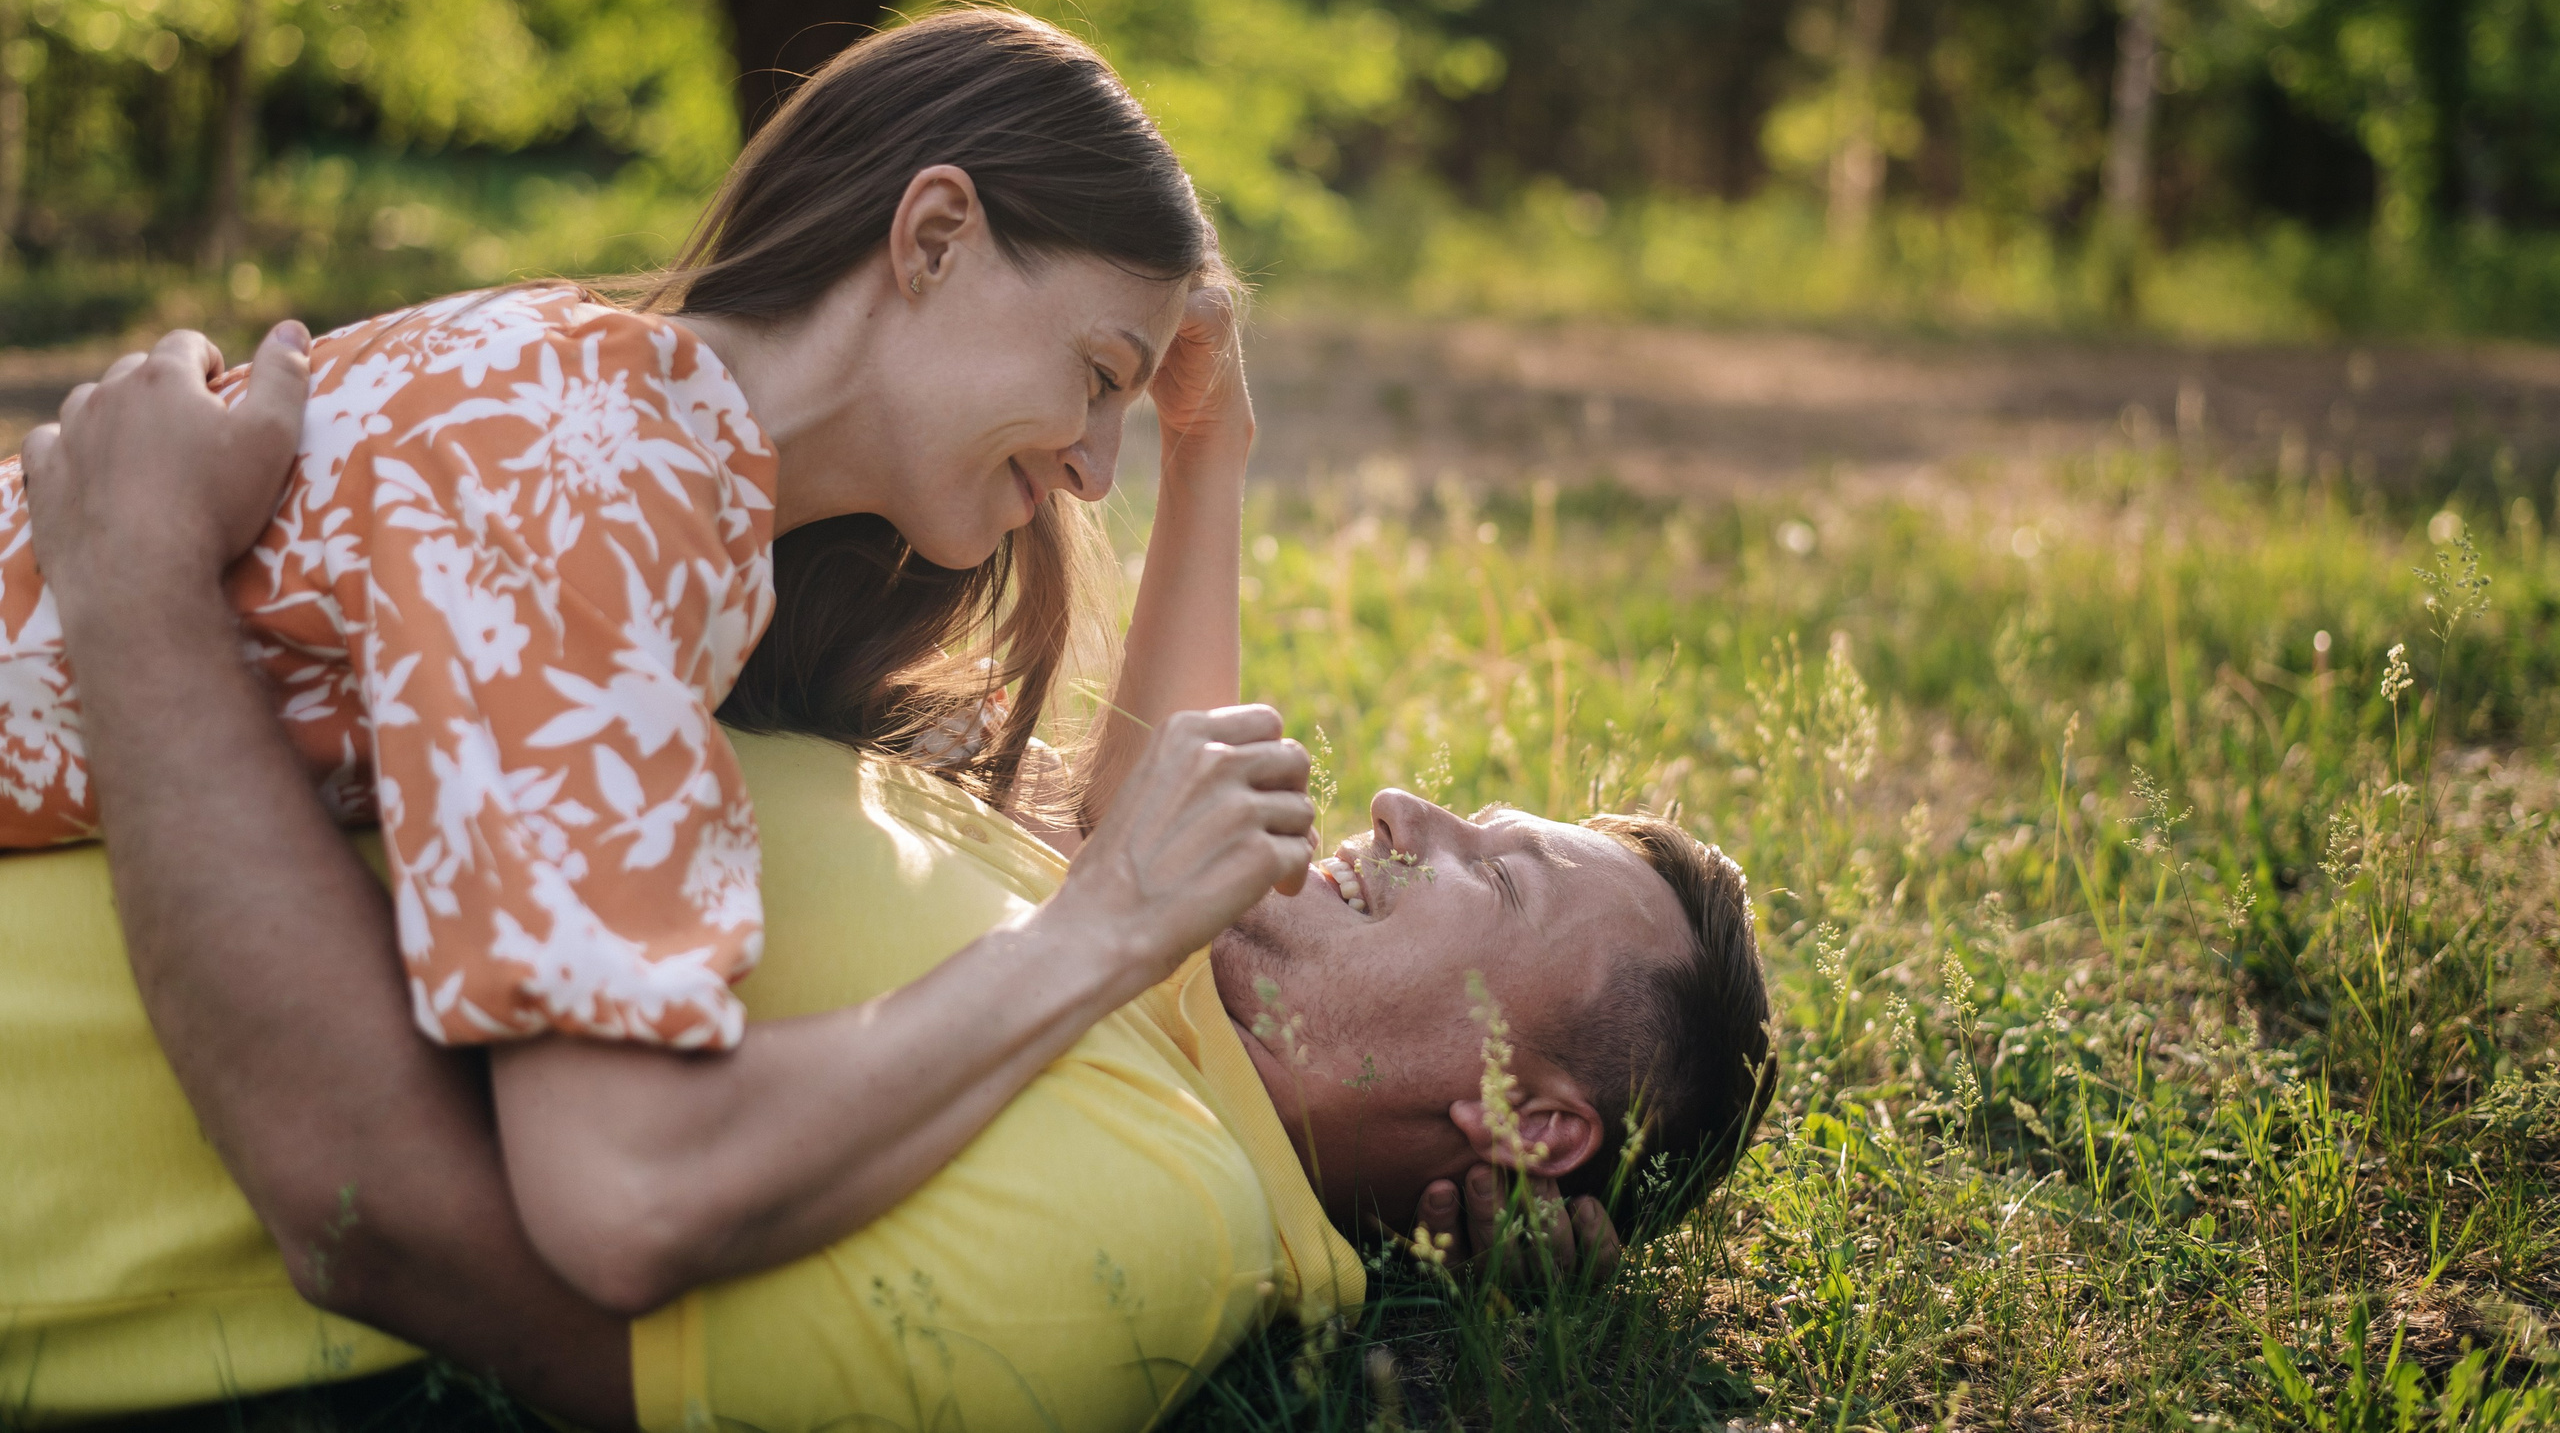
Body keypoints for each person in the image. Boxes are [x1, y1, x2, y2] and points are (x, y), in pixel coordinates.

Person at [1, 335, 1777, 1433]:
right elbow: (1111, 835)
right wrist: (1210, 441)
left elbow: (399, 1229)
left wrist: (142, 578)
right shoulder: (1169, 1009)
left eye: (1500, 876)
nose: (1408, 808)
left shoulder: (1127, 1252)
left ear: (1529, 1122)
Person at [1, 10, 1323, 1320]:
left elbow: (1144, 838)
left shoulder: (687, 499)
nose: (1099, 467)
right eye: (1098, 375)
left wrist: (1213, 451)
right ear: (932, 238)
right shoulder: (580, 474)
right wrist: (1088, 938)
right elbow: (626, 1191)